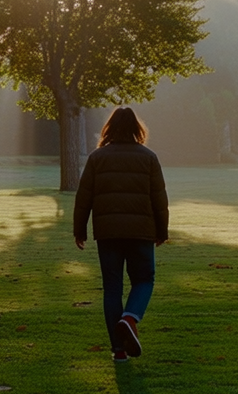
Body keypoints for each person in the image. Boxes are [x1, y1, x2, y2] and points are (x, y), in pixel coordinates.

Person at [72, 106, 169, 361]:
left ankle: (119, 351)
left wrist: (79, 230)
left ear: (109, 129)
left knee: (112, 288)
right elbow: (160, 199)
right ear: (137, 129)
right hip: (141, 232)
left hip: (108, 233)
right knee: (144, 280)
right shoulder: (149, 157)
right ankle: (129, 318)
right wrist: (162, 230)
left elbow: (84, 199)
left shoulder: (97, 158)